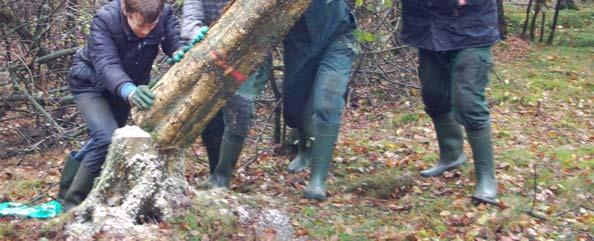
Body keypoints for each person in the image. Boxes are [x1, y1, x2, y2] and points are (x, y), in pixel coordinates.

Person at [58, 0, 185, 211]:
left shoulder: (164, 13)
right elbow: (107, 65)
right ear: (126, 11)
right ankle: (71, 206)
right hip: (90, 84)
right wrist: (131, 91)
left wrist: (181, 51)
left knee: (105, 139)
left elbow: (173, 40)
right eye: (140, 25)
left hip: (126, 90)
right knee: (106, 138)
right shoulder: (105, 20)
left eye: (151, 26)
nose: (146, 31)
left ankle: (64, 193)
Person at [400, 0, 500, 204]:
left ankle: (487, 179)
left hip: (472, 28)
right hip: (428, 28)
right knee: (434, 94)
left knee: (468, 101)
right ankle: (451, 155)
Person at [181, 0, 270, 188]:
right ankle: (215, 173)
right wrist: (202, 35)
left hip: (248, 55)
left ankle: (223, 175)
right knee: (211, 118)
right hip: (212, 58)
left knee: (240, 108)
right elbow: (190, 22)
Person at [282, 0, 358, 201]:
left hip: (337, 35)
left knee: (328, 101)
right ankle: (305, 148)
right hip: (298, 43)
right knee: (294, 110)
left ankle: (318, 179)